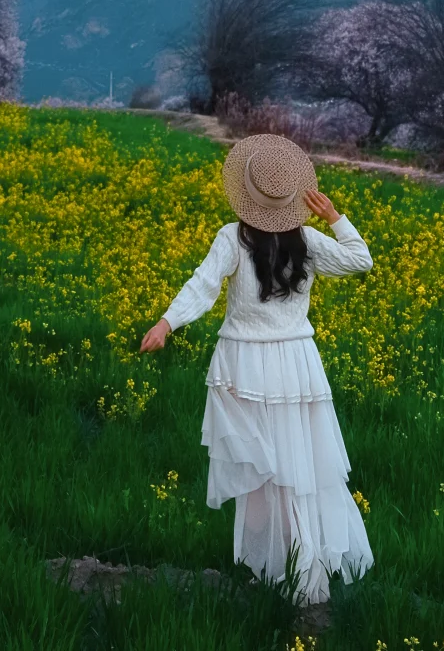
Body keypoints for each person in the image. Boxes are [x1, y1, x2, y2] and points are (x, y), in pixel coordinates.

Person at [139, 133, 374, 605]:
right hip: (295, 366)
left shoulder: (233, 236)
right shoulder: (307, 239)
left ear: (246, 192)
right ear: (293, 198)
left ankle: (282, 569)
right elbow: (360, 259)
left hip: (244, 365)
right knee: (297, 467)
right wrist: (335, 218)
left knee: (266, 471)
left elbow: (202, 286)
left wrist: (167, 322)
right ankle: (294, 568)